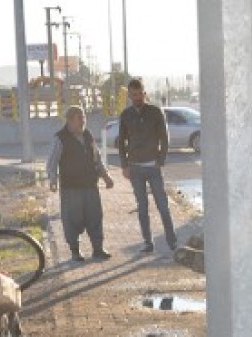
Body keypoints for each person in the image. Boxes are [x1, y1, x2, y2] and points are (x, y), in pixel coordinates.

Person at [47, 105, 115, 261]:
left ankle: (98, 249)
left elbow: (96, 158)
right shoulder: (60, 138)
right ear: (70, 120)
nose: (83, 121)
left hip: (90, 185)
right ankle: (75, 251)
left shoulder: (87, 135)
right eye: (80, 118)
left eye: (84, 117)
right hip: (71, 188)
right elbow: (52, 161)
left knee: (95, 217)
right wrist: (52, 180)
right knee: (72, 219)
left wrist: (106, 177)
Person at [117, 78, 177, 253]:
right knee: (142, 207)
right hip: (135, 168)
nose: (136, 97)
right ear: (129, 95)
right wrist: (124, 165)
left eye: (139, 93)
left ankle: (172, 241)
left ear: (144, 92)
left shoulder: (155, 112)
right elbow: (121, 142)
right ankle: (147, 243)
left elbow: (164, 138)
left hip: (153, 167)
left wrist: (161, 160)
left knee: (163, 206)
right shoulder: (125, 115)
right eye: (133, 94)